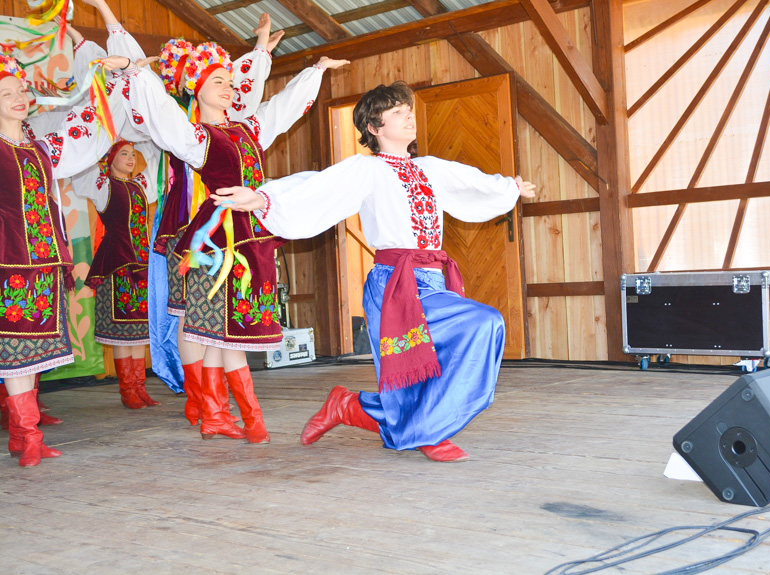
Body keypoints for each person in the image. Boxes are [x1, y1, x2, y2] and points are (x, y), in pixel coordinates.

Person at [211, 81, 537, 462]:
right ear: (374, 127)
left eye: (409, 110)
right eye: (398, 112)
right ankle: (422, 432)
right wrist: (262, 198)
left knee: (471, 334)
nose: (409, 116)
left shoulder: (430, 169)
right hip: (394, 283)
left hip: (432, 280)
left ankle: (352, 407)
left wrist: (507, 187)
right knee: (428, 357)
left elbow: (473, 183)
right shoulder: (367, 169)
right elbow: (317, 188)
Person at [119, 44, 348, 443]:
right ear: (196, 86)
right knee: (217, 332)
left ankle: (218, 416)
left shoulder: (249, 129)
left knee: (225, 333)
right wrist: (135, 72)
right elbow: (162, 114)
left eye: (229, 81)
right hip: (213, 243)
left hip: (252, 237)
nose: (228, 87)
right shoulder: (195, 138)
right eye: (217, 81)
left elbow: (283, 107)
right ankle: (241, 418)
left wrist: (315, 70)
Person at [0, 53, 132, 466]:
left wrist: (108, 80)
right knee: (15, 350)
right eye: (6, 93)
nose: (19, 97)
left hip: (42, 265)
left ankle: (26, 435)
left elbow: (87, 128)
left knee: (30, 350)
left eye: (21, 90)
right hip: (7, 263)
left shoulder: (41, 148)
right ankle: (25, 434)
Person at [74, 140, 161, 408]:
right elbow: (81, 173)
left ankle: (139, 388)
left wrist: (144, 134)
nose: (131, 158)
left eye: (133, 155)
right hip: (117, 265)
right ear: (110, 158)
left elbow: (156, 159)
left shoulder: (140, 187)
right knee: (123, 330)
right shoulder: (102, 187)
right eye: (124, 154)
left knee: (138, 330)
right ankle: (127, 391)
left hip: (142, 263)